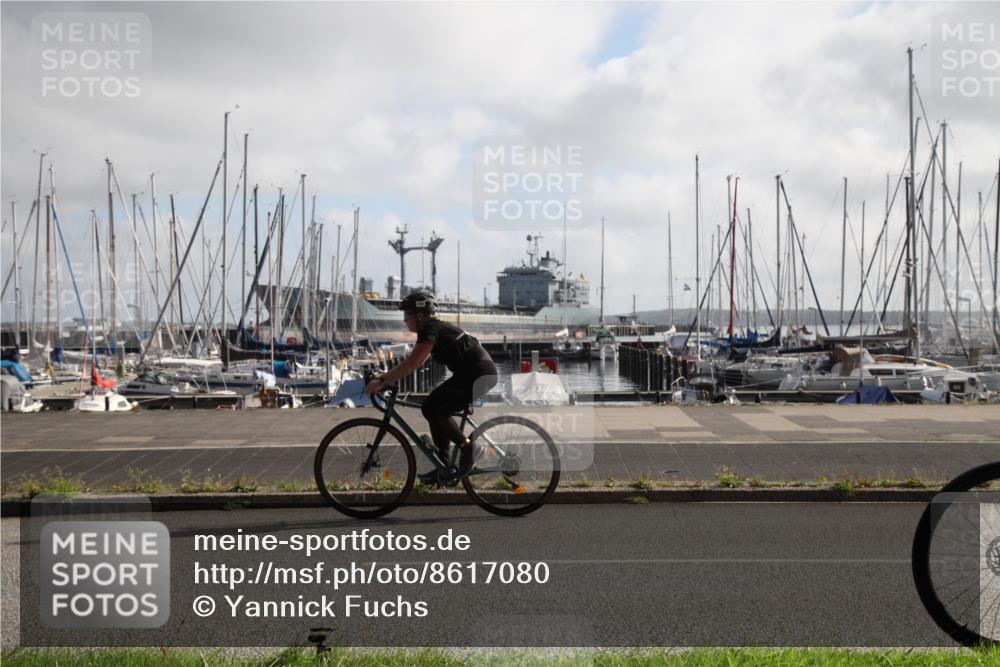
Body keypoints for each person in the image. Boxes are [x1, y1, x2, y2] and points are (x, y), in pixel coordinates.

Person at [365, 291, 497, 482]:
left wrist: (384, 381)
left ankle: (469, 447)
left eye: (407, 315)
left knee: (432, 406)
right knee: (433, 409)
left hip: (478, 375)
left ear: (419, 316)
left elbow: (412, 363)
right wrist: (384, 377)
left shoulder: (430, 329)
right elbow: (414, 362)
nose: (404, 320)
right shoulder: (432, 329)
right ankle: (443, 465)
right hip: (472, 374)